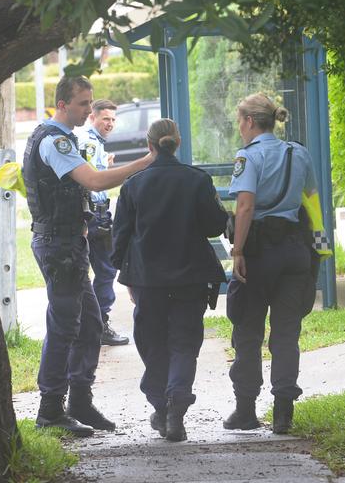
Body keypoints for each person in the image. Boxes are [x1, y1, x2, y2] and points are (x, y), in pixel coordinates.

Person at [23, 76, 154, 437]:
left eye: (89, 102)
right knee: (64, 325)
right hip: (59, 247)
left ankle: (78, 400)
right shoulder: (55, 140)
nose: (89, 110)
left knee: (91, 323)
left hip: (67, 245)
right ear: (63, 104)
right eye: (83, 103)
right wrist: (145, 162)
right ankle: (50, 408)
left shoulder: (54, 138)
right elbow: (94, 181)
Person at [112, 118, 228, 442]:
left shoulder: (133, 185)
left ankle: (161, 408)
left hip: (148, 280)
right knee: (184, 343)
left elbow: (120, 236)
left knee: (152, 342)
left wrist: (124, 274)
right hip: (190, 278)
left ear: (149, 146)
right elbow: (215, 225)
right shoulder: (197, 181)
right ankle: (177, 406)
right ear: (177, 142)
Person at [223, 92, 319, 435]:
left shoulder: (247, 157)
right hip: (294, 250)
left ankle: (246, 411)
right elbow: (312, 202)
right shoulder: (299, 152)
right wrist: (319, 250)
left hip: (258, 253)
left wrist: (238, 252)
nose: (239, 128)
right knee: (286, 333)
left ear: (249, 121)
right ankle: (283, 413)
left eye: (239, 121)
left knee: (248, 331)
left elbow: (245, 206)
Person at [76, 99, 129, 346]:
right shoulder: (88, 141)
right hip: (93, 216)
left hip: (98, 214)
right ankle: (97, 326)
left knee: (99, 272)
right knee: (105, 271)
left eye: (113, 119)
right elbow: (88, 181)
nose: (110, 123)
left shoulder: (95, 142)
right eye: (105, 118)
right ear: (92, 118)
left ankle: (91, 326)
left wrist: (104, 166)